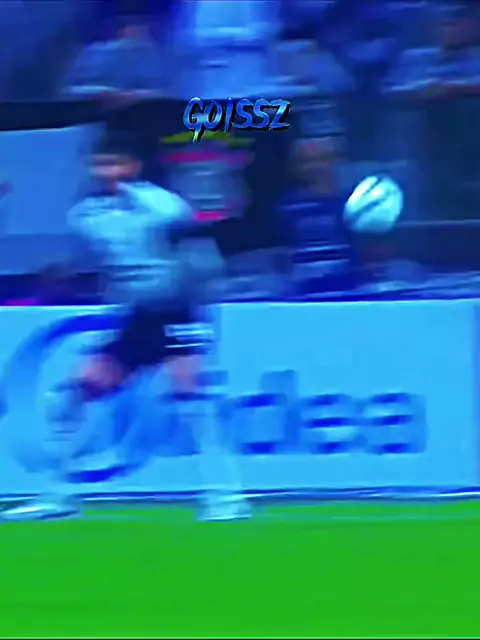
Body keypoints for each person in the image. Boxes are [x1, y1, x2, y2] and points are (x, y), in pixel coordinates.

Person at [2, 135, 249, 522]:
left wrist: (200, 306)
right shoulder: (87, 214)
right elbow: (100, 262)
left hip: (178, 310)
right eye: (101, 164)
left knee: (192, 399)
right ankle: (57, 496)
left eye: (115, 163)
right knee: (68, 397)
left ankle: (226, 496)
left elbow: (200, 255)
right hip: (137, 317)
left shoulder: (162, 206)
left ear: (133, 166)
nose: (107, 172)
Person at [61, 13, 163, 105]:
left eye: (144, 29)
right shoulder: (95, 52)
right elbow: (70, 89)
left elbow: (162, 90)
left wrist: (133, 96)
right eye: (135, 28)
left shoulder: (152, 57)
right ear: (123, 30)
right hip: (93, 110)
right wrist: (105, 93)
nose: (141, 33)